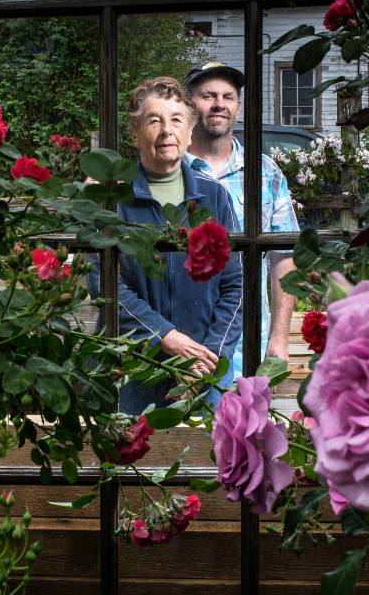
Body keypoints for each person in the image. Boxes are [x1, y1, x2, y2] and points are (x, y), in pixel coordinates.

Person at [89, 76, 243, 414]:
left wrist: (208, 357)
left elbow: (236, 286)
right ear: (134, 133)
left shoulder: (214, 197)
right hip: (133, 370)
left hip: (203, 374)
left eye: (176, 120)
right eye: (153, 120)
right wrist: (165, 337)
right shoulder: (113, 200)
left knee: (204, 464)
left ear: (189, 132)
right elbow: (104, 283)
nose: (166, 130)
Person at [183, 61, 300, 372]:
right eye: (209, 96)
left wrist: (279, 338)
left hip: (248, 345)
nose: (219, 104)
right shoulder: (168, 171)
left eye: (228, 96)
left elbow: (283, 258)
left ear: (237, 105)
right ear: (190, 103)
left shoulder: (264, 173)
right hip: (181, 346)